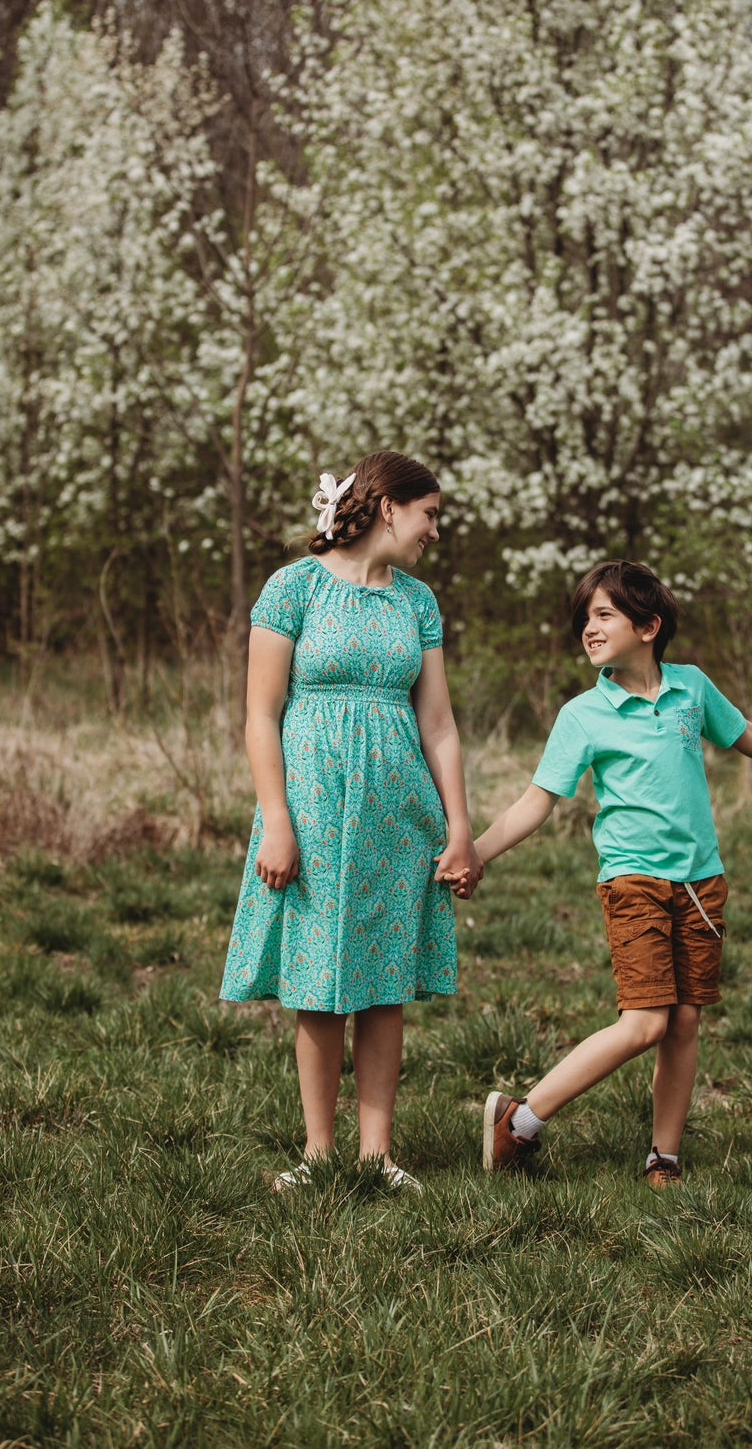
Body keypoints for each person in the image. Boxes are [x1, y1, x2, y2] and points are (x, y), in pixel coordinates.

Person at [475, 560, 752, 1186]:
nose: (589, 628)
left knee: (685, 1020)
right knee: (645, 1022)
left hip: (701, 883)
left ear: (649, 625)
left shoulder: (691, 687)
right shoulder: (583, 714)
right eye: (585, 618)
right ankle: (520, 1121)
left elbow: (746, 735)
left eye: (604, 615)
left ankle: (664, 1156)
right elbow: (537, 802)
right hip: (633, 884)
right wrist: (477, 851)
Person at [221, 450, 481, 1192]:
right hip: (310, 808)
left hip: (400, 812)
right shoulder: (292, 588)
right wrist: (277, 818)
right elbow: (260, 716)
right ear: (388, 506)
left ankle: (376, 1157)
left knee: (383, 980)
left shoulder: (416, 602)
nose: (434, 530)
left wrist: (458, 824)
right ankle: (318, 1154)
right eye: (429, 513)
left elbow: (438, 724)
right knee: (315, 977)